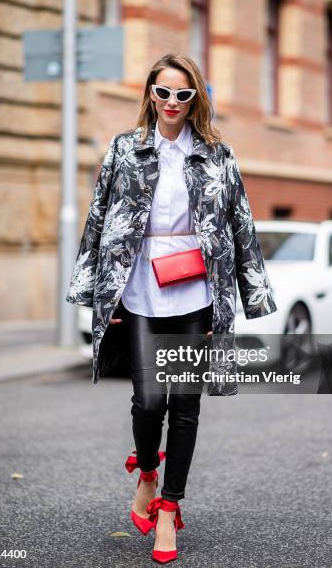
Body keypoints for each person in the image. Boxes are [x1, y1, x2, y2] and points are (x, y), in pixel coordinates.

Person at [66, 53, 277, 564]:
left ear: (196, 98)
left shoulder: (216, 154)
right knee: (148, 402)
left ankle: (168, 510)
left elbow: (240, 223)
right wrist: (94, 292)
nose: (172, 103)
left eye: (183, 94)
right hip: (138, 288)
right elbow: (97, 220)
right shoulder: (123, 149)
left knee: (185, 404)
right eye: (163, 92)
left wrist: (253, 295)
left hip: (196, 293)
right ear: (150, 94)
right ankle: (146, 472)